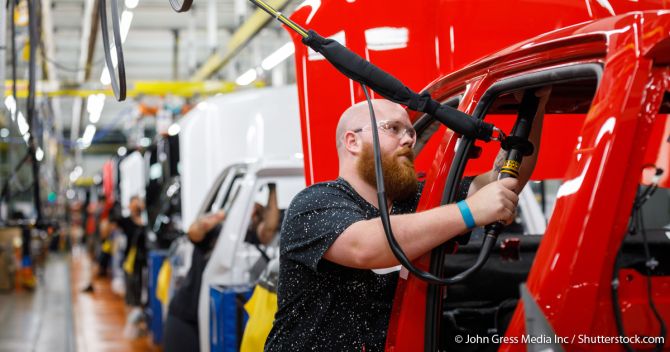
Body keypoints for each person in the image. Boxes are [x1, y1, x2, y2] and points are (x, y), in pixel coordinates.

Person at [265, 90, 550, 351]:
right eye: (393, 129)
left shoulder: (413, 202)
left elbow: (502, 183)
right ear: (352, 141)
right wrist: (469, 211)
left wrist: (536, 105)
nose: (408, 140)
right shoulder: (315, 203)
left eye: (411, 133)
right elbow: (365, 246)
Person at [164, 183, 281, 352]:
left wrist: (272, 188)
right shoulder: (216, 232)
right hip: (187, 315)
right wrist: (230, 212)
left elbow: (269, 226)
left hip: (219, 320)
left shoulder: (252, 237)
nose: (253, 211)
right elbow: (194, 231)